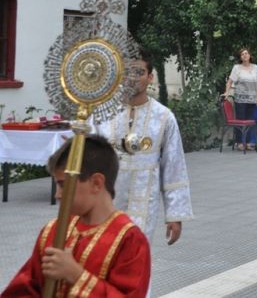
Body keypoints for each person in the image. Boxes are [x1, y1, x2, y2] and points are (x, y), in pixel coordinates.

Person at [3, 135, 151, 296]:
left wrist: (76, 275)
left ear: (96, 183)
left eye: (63, 185)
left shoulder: (129, 240)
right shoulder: (53, 230)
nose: (58, 195)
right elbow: (26, 287)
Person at [94, 52, 193, 243]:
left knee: (136, 253)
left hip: (144, 198)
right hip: (106, 198)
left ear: (150, 77)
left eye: (139, 72)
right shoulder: (102, 114)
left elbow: (174, 165)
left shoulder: (164, 117)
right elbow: (88, 159)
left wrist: (175, 215)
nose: (133, 78)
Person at [225, 47, 257, 149]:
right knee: (240, 121)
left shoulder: (256, 67)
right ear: (240, 57)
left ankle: (247, 143)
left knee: (250, 121)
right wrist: (226, 93)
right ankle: (240, 143)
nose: (245, 55)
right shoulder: (237, 68)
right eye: (242, 54)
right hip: (240, 99)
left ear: (250, 55)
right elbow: (229, 82)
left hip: (252, 99)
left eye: (246, 53)